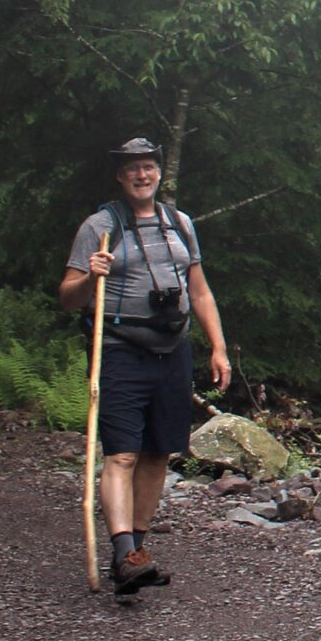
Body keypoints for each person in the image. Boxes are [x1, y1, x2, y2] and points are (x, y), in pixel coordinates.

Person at [58, 138, 230, 594]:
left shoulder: (180, 224)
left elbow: (200, 291)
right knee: (122, 452)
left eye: (149, 167)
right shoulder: (100, 226)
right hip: (118, 348)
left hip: (172, 350)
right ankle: (122, 552)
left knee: (158, 452)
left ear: (159, 173)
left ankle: (137, 547)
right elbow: (67, 295)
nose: (142, 175)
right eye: (133, 168)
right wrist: (90, 275)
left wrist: (218, 347)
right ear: (120, 175)